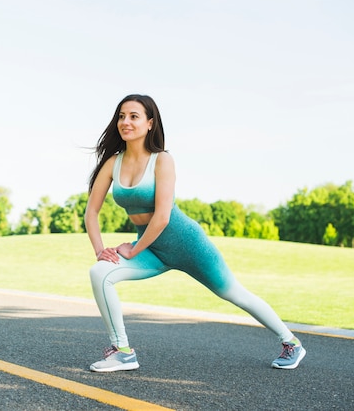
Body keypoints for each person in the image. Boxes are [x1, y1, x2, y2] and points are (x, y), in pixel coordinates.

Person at [85, 94, 306, 372]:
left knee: (235, 294)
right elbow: (91, 212)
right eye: (121, 116)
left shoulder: (162, 160)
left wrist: (133, 249)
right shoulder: (112, 163)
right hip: (151, 250)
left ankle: (292, 342)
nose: (125, 122)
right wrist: (99, 250)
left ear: (150, 123)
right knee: (100, 273)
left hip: (186, 243)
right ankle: (123, 351)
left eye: (133, 116)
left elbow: (163, 216)